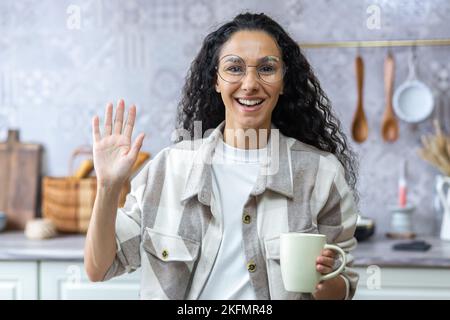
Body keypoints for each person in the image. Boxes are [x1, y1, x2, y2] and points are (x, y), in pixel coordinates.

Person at [84, 12, 359, 300]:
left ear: (283, 82)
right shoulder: (170, 168)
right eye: (235, 68)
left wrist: (323, 281)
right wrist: (107, 186)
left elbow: (342, 288)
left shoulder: (321, 174)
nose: (250, 83)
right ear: (216, 80)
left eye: (266, 68)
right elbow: (98, 268)